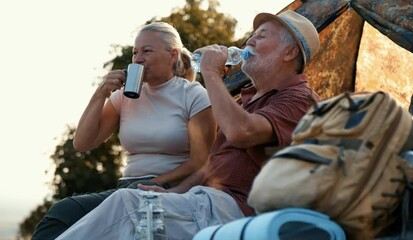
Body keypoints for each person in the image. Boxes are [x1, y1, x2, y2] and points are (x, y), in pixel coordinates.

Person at [56, 10, 321, 240]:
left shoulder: (299, 98)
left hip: (234, 208)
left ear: (289, 52)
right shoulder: (246, 99)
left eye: (261, 36)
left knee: (127, 205)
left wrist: (210, 73)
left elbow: (242, 132)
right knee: (77, 211)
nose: (249, 40)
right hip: (202, 199)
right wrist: (170, 193)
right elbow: (210, 163)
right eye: (252, 34)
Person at [32, 22, 216, 240]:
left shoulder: (193, 95)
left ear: (172, 55)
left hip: (169, 188)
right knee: (63, 213)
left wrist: (156, 182)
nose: (138, 59)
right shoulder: (125, 96)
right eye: (135, 53)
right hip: (126, 188)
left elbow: (200, 161)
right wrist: (101, 93)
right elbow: (82, 143)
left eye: (147, 51)